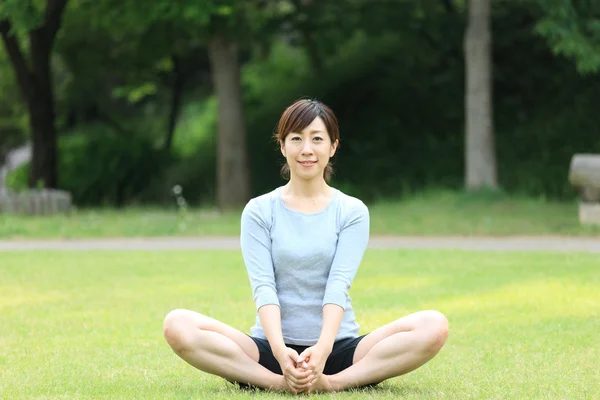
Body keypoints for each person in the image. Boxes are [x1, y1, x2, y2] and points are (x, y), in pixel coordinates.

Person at [162, 99, 449, 394]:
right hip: (268, 353)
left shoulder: (351, 211)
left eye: (317, 139)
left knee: (434, 325)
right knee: (178, 324)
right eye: (296, 139)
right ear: (283, 146)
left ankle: (332, 384)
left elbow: (337, 285)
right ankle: (276, 384)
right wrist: (277, 350)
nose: (307, 149)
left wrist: (323, 349)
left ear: (333, 146)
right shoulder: (259, 210)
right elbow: (264, 288)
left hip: (338, 349)